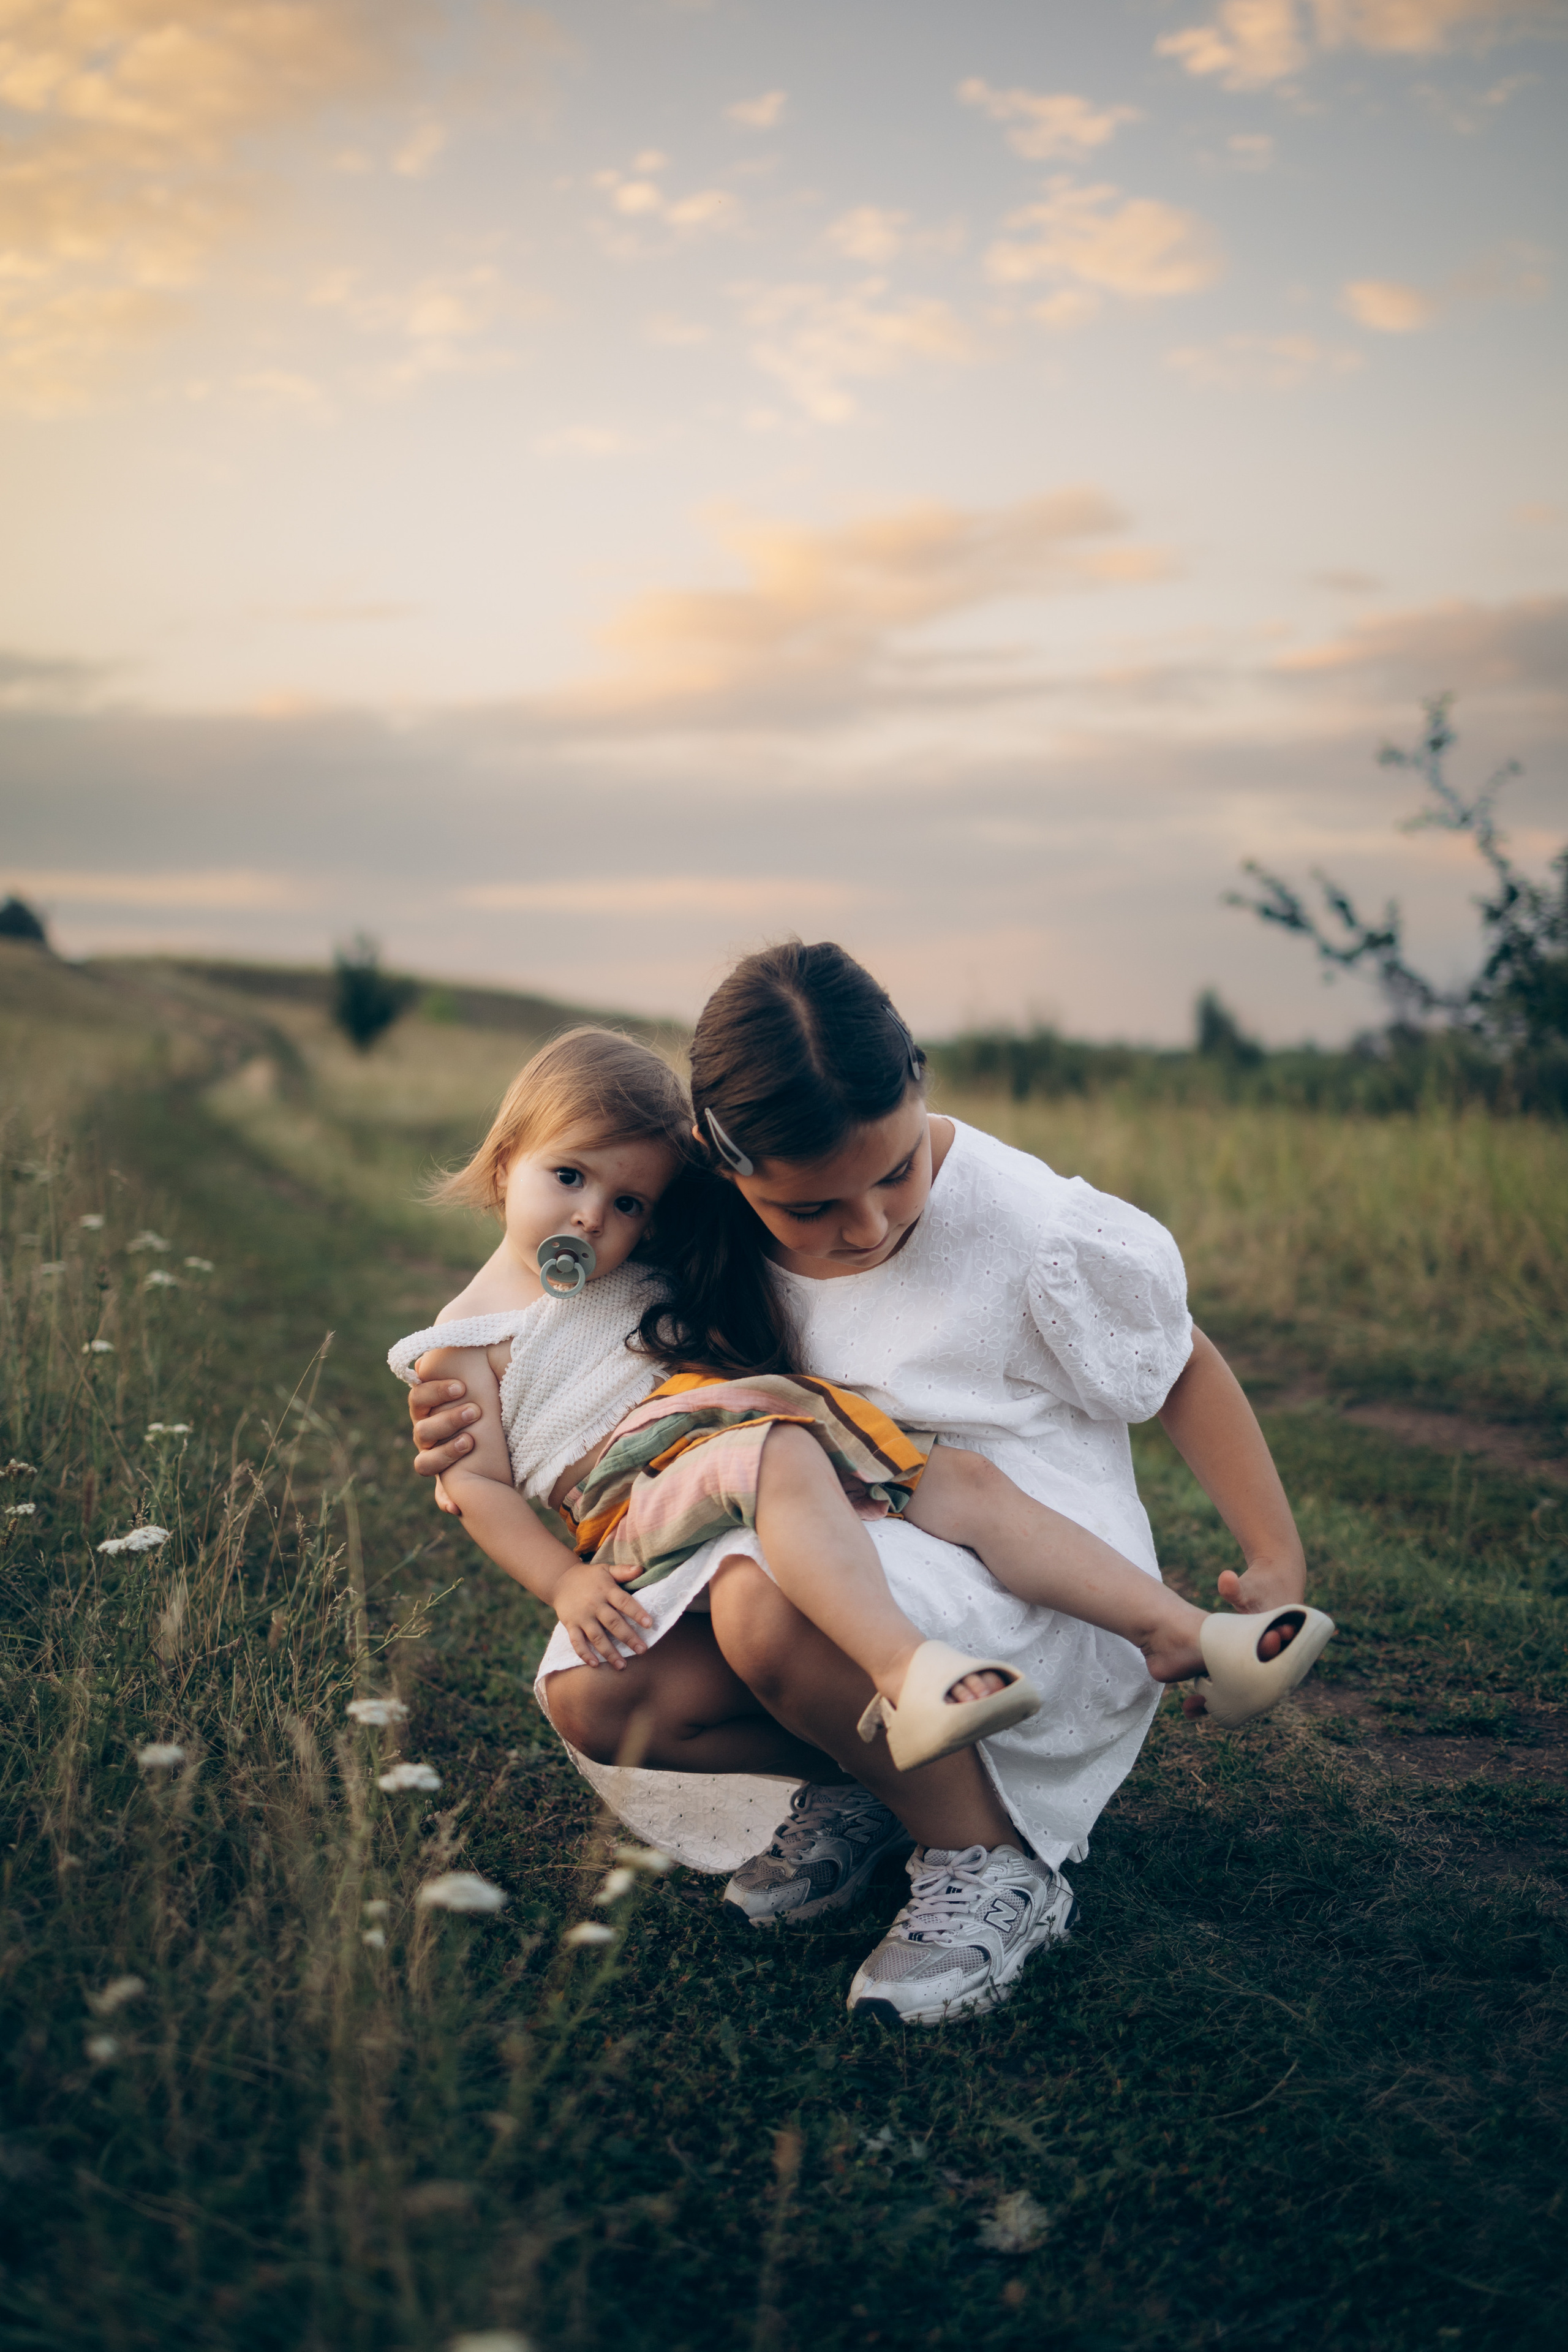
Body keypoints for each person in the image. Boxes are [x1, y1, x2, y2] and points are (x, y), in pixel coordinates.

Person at [409, 944, 1324, 2026]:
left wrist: (1274, 1556)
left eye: (895, 1173)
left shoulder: (1025, 1220)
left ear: (919, 1084)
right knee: (603, 1695)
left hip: (1020, 1563)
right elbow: (555, 1355)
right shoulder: (684, 1223)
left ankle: (995, 1864)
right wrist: (481, 1446)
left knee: (763, 1596)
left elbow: (1181, 1363)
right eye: (811, 1210)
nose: (870, 1225)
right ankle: (878, 1781)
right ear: (725, 1168)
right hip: (826, 1508)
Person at [390, 1028, 1277, 1775]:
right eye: (569, 1178)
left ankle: (1182, 1632)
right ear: (505, 1165)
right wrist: (563, 1582)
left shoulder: (638, 1266)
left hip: (747, 1424)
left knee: (955, 1478)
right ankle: (903, 1674)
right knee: (776, 1455)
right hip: (641, 1491)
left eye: (628, 1202)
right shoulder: (464, 1338)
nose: (593, 1219)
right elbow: (478, 1488)